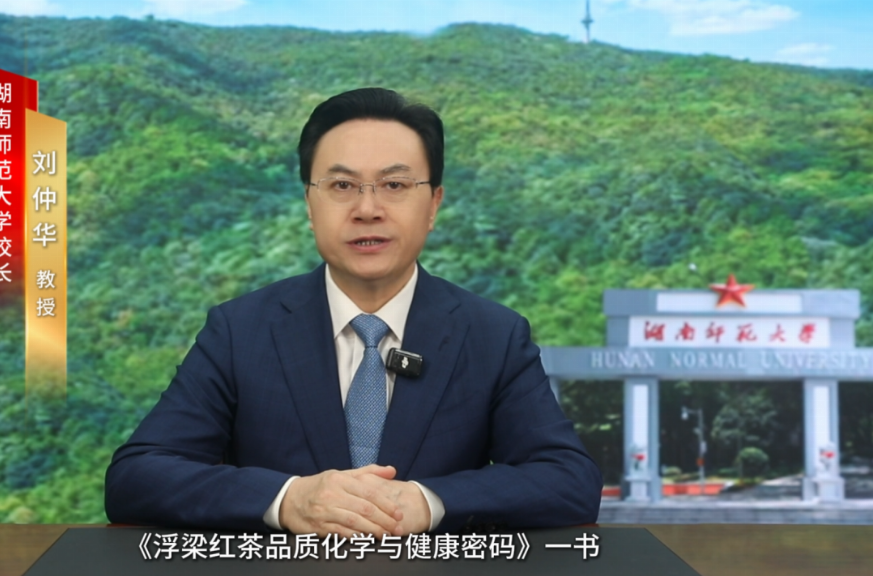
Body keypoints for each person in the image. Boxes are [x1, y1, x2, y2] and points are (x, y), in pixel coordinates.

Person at [105, 88, 602, 536]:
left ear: (433, 204)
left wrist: (428, 502)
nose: (368, 209)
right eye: (342, 186)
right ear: (309, 203)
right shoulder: (240, 330)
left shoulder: (492, 334)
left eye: (394, 185)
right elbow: (137, 476)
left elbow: (568, 480)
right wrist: (288, 499)